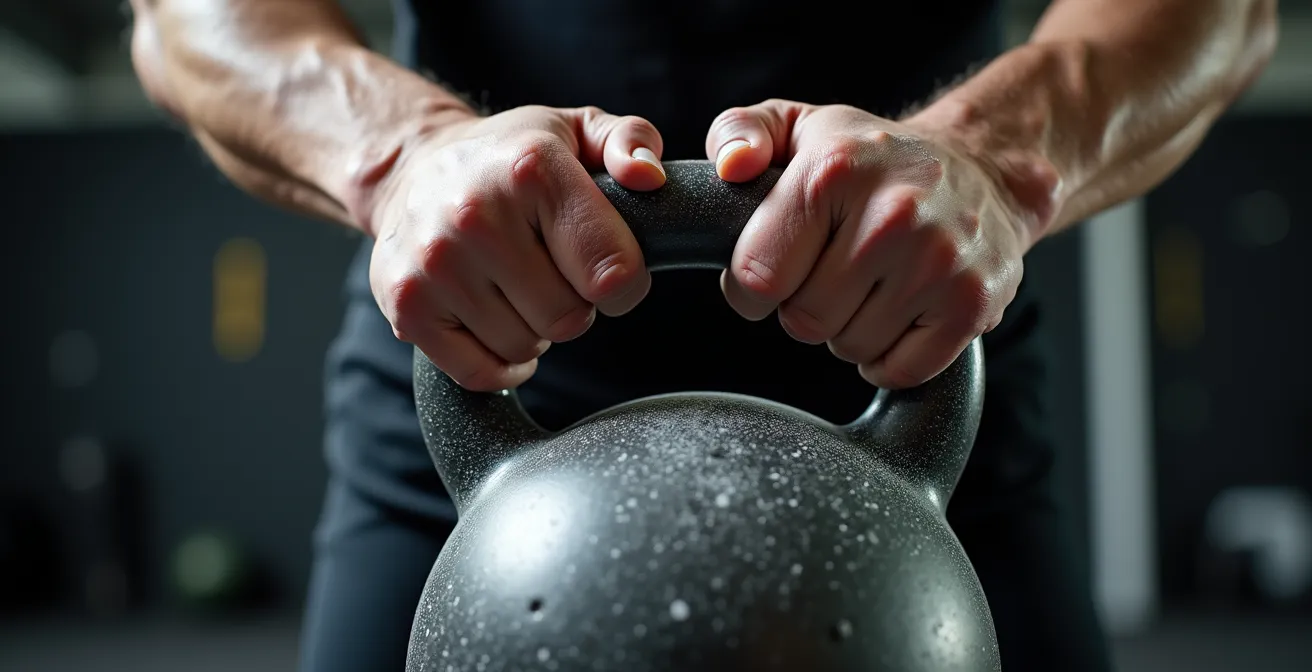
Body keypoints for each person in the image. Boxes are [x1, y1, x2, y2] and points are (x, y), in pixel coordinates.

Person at [127, 0, 1277, 669]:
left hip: (913, 380)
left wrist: (995, 158)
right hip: (479, 374)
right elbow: (182, 20)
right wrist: (401, 153)